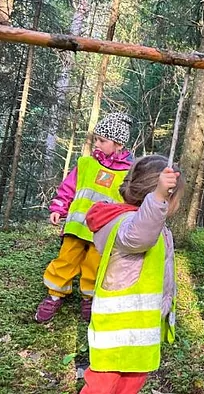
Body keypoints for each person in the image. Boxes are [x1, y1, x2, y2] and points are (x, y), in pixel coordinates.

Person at [62, 155, 183, 394]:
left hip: (141, 332)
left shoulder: (150, 224)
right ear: (155, 195)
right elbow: (139, 237)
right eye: (171, 198)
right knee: (97, 393)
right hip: (115, 332)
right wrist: (158, 198)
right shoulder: (123, 224)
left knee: (128, 390)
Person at [35, 113, 134, 323]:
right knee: (66, 259)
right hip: (77, 227)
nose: (96, 144)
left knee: (95, 265)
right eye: (96, 139)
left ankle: (89, 297)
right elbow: (68, 188)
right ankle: (54, 294)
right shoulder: (86, 163)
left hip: (103, 233)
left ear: (118, 144)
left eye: (102, 140)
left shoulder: (129, 173)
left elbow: (130, 201)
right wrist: (58, 207)